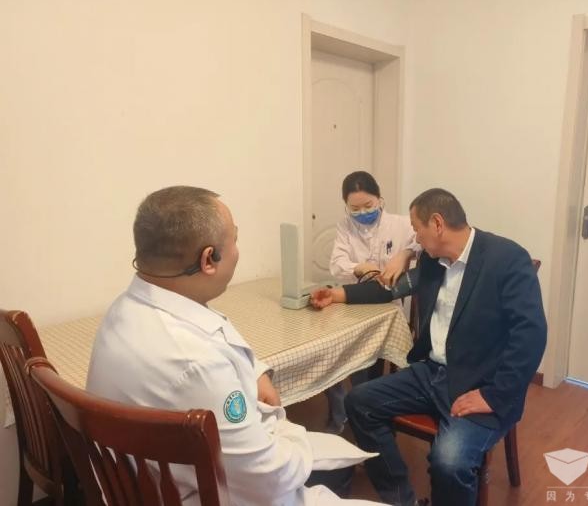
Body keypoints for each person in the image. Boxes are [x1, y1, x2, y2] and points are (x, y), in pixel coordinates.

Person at [86, 186, 383, 506]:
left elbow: (215, 328)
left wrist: (255, 372)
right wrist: (290, 432)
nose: (238, 250)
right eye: (235, 239)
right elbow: (269, 479)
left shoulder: (127, 309)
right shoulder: (197, 364)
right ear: (208, 259)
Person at [311, 188, 547, 506]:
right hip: (433, 372)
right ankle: (402, 500)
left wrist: (494, 395)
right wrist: (338, 294)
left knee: (449, 462)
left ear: (436, 224)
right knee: (359, 402)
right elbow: (391, 289)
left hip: (481, 383)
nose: (415, 238)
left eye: (416, 229)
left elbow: (531, 335)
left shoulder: (506, 259)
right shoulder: (434, 261)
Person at [325, 171, 420, 433]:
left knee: (368, 354)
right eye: (354, 208)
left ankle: (366, 407)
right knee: (332, 348)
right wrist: (359, 267)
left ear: (380, 199)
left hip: (386, 306)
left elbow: (422, 243)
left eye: (368, 205)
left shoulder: (400, 224)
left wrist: (404, 254)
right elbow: (337, 264)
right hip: (353, 301)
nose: (362, 212)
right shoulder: (345, 227)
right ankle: (343, 409)